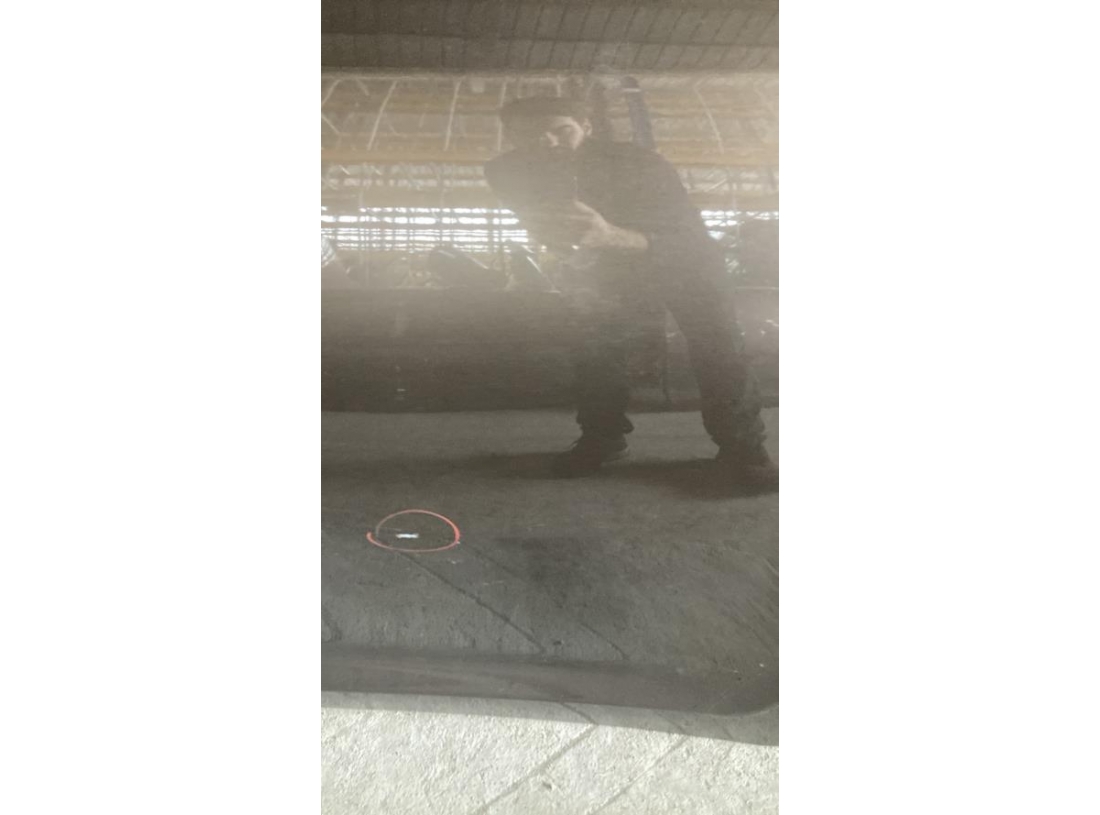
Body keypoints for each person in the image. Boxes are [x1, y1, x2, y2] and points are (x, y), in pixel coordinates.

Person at [483, 96, 777, 489]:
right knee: (595, 348)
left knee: (718, 346)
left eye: (561, 131)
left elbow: (685, 238)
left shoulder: (641, 163)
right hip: (609, 265)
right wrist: (573, 253)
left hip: (685, 261)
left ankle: (743, 448)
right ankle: (602, 438)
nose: (547, 141)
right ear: (510, 137)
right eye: (530, 134)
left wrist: (609, 234)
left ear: (586, 127)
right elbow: (543, 224)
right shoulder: (504, 171)